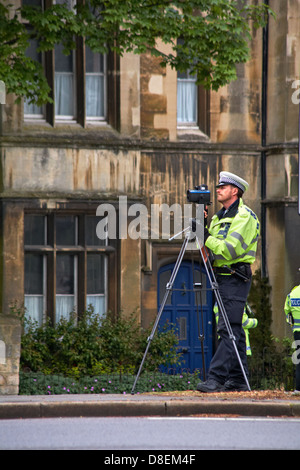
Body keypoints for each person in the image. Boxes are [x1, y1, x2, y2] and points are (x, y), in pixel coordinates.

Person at [197, 171, 260, 393]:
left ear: (235, 190)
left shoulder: (245, 216)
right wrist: (201, 226)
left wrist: (206, 237)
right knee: (234, 329)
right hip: (220, 277)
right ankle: (239, 379)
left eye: (223, 186)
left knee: (228, 327)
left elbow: (229, 250)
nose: (218, 189)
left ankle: (215, 378)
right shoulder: (217, 217)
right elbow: (208, 251)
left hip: (235, 276)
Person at [284, 284, 300, 394]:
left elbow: (287, 313)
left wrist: (293, 326)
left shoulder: (293, 293)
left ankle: (298, 388)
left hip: (297, 332)